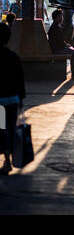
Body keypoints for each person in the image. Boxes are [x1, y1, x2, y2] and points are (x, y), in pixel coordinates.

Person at [0, 23, 25, 175]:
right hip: (13, 100)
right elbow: (19, 80)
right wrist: (21, 99)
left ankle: (6, 161)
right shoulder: (13, 57)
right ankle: (8, 161)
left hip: (1, 102)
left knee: (2, 130)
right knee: (9, 128)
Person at [47, 9, 74, 80]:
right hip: (57, 50)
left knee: (73, 51)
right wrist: (66, 45)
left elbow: (60, 41)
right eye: (61, 16)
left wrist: (66, 44)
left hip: (56, 48)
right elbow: (60, 42)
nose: (62, 18)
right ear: (57, 17)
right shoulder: (56, 28)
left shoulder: (55, 26)